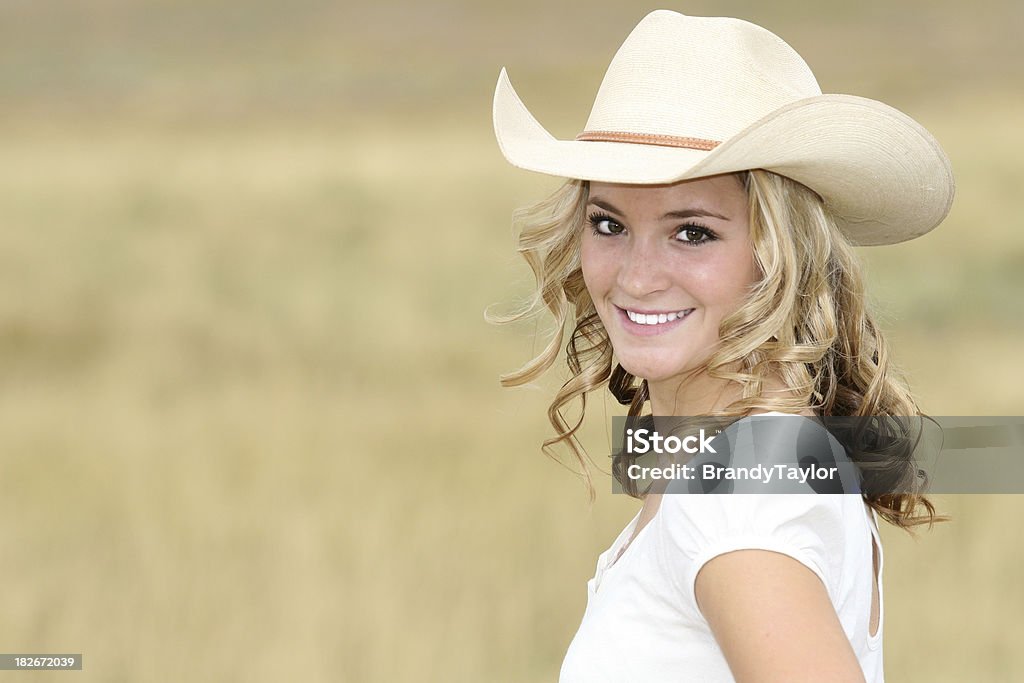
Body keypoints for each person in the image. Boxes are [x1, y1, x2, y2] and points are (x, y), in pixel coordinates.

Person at [491, 10, 953, 683]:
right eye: (608, 222)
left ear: (778, 254)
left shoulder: (734, 494)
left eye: (693, 233)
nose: (635, 276)